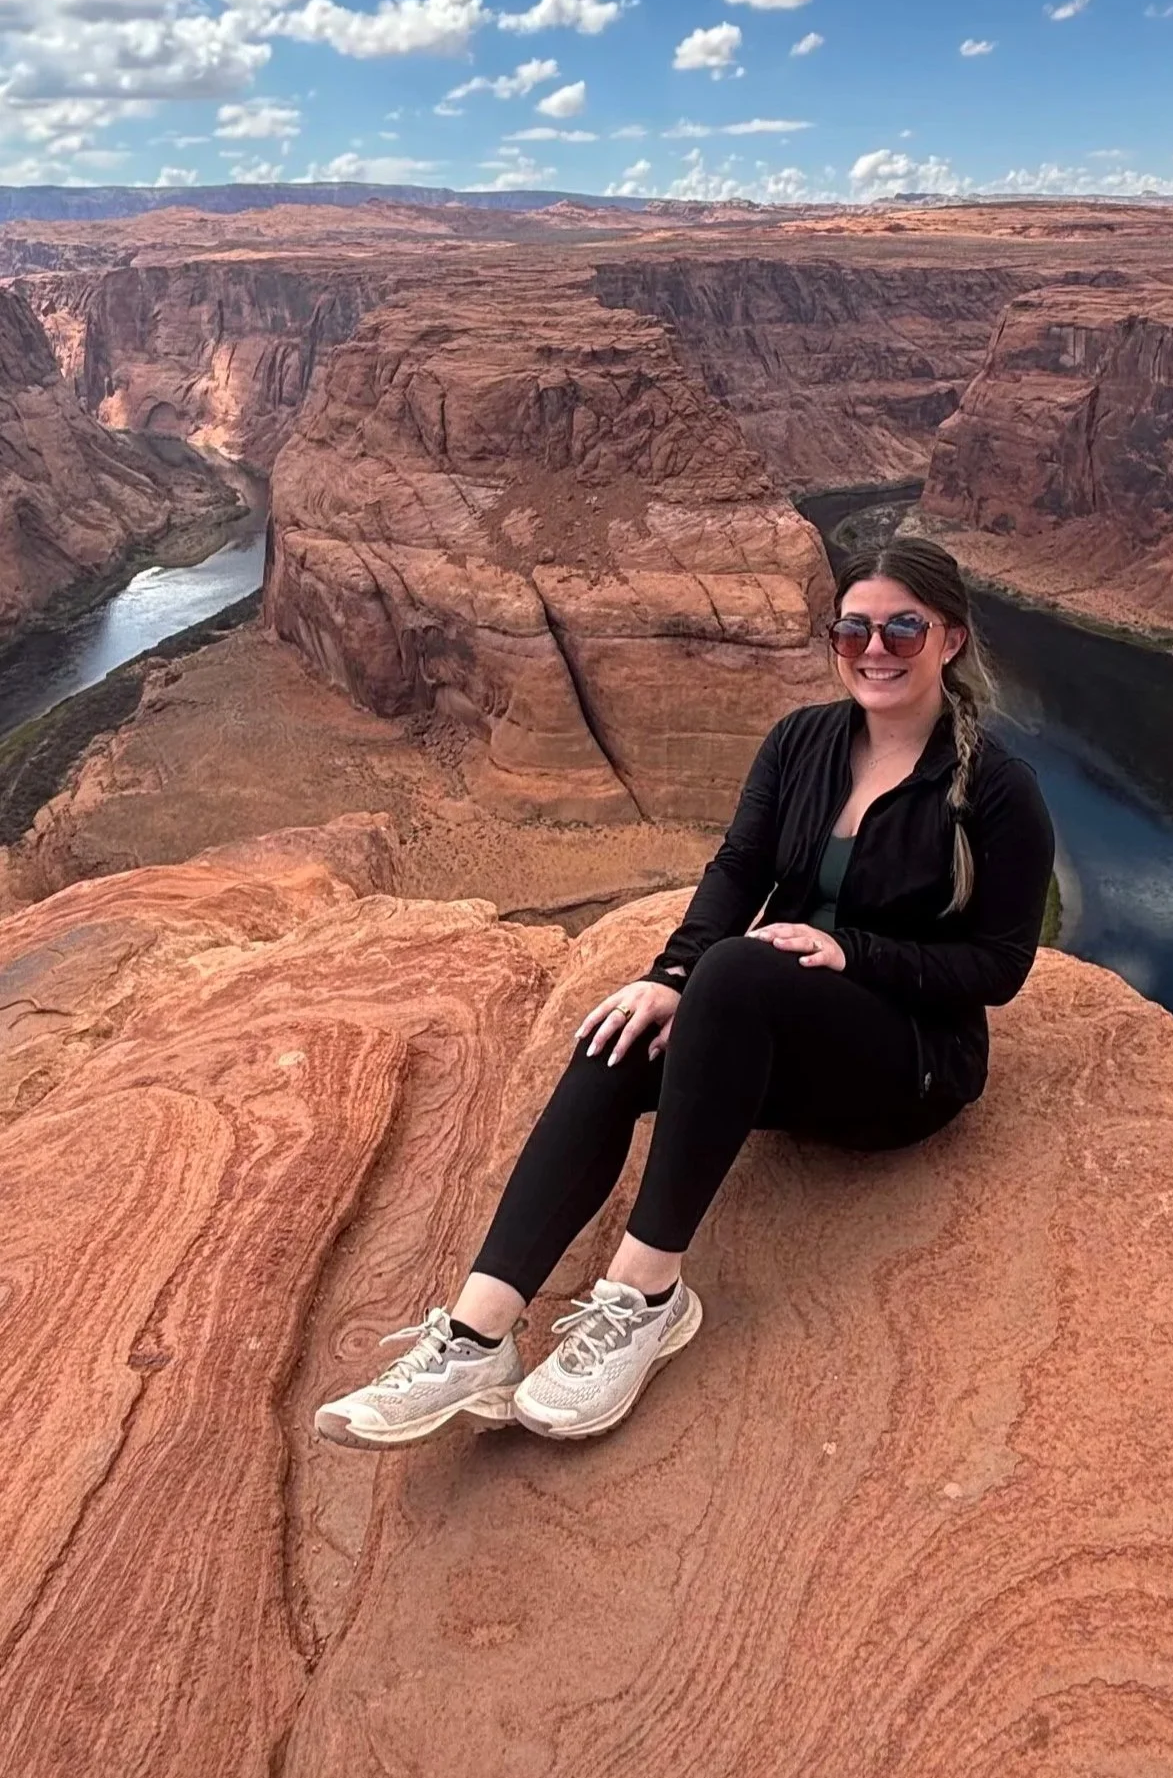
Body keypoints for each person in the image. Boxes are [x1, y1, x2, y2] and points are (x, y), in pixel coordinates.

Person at [315, 535, 1055, 1451]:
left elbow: (999, 967)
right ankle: (476, 1336)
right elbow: (739, 867)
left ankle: (646, 1297)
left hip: (909, 1066)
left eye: (903, 629)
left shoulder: (997, 790)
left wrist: (850, 949)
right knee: (619, 1033)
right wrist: (668, 978)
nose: (875, 649)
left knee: (738, 970)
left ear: (950, 638)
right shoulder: (801, 742)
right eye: (854, 628)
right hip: (782, 1036)